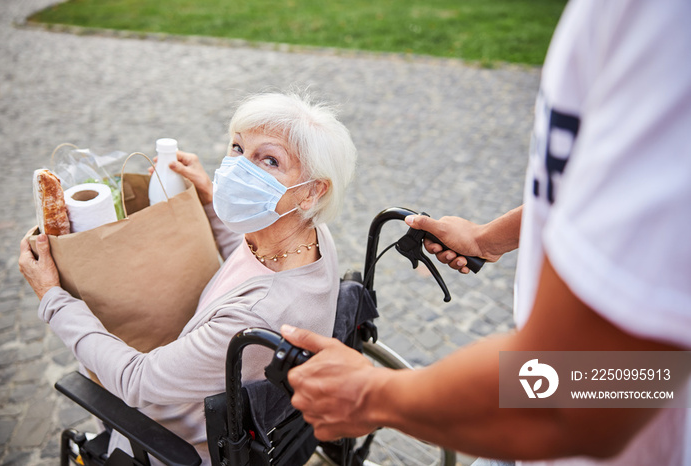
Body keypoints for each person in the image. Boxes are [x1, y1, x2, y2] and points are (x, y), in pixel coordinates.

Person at [282, 1, 691, 465]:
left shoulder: (666, 26)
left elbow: (594, 388)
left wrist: (375, 395)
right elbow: (608, 189)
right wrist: (488, 238)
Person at [18, 91, 357, 465]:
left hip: (175, 432)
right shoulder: (309, 237)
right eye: (238, 147)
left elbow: (137, 381)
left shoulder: (253, 316)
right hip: (238, 392)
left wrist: (52, 297)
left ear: (311, 190)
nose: (239, 168)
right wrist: (213, 201)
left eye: (270, 160)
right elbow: (250, 257)